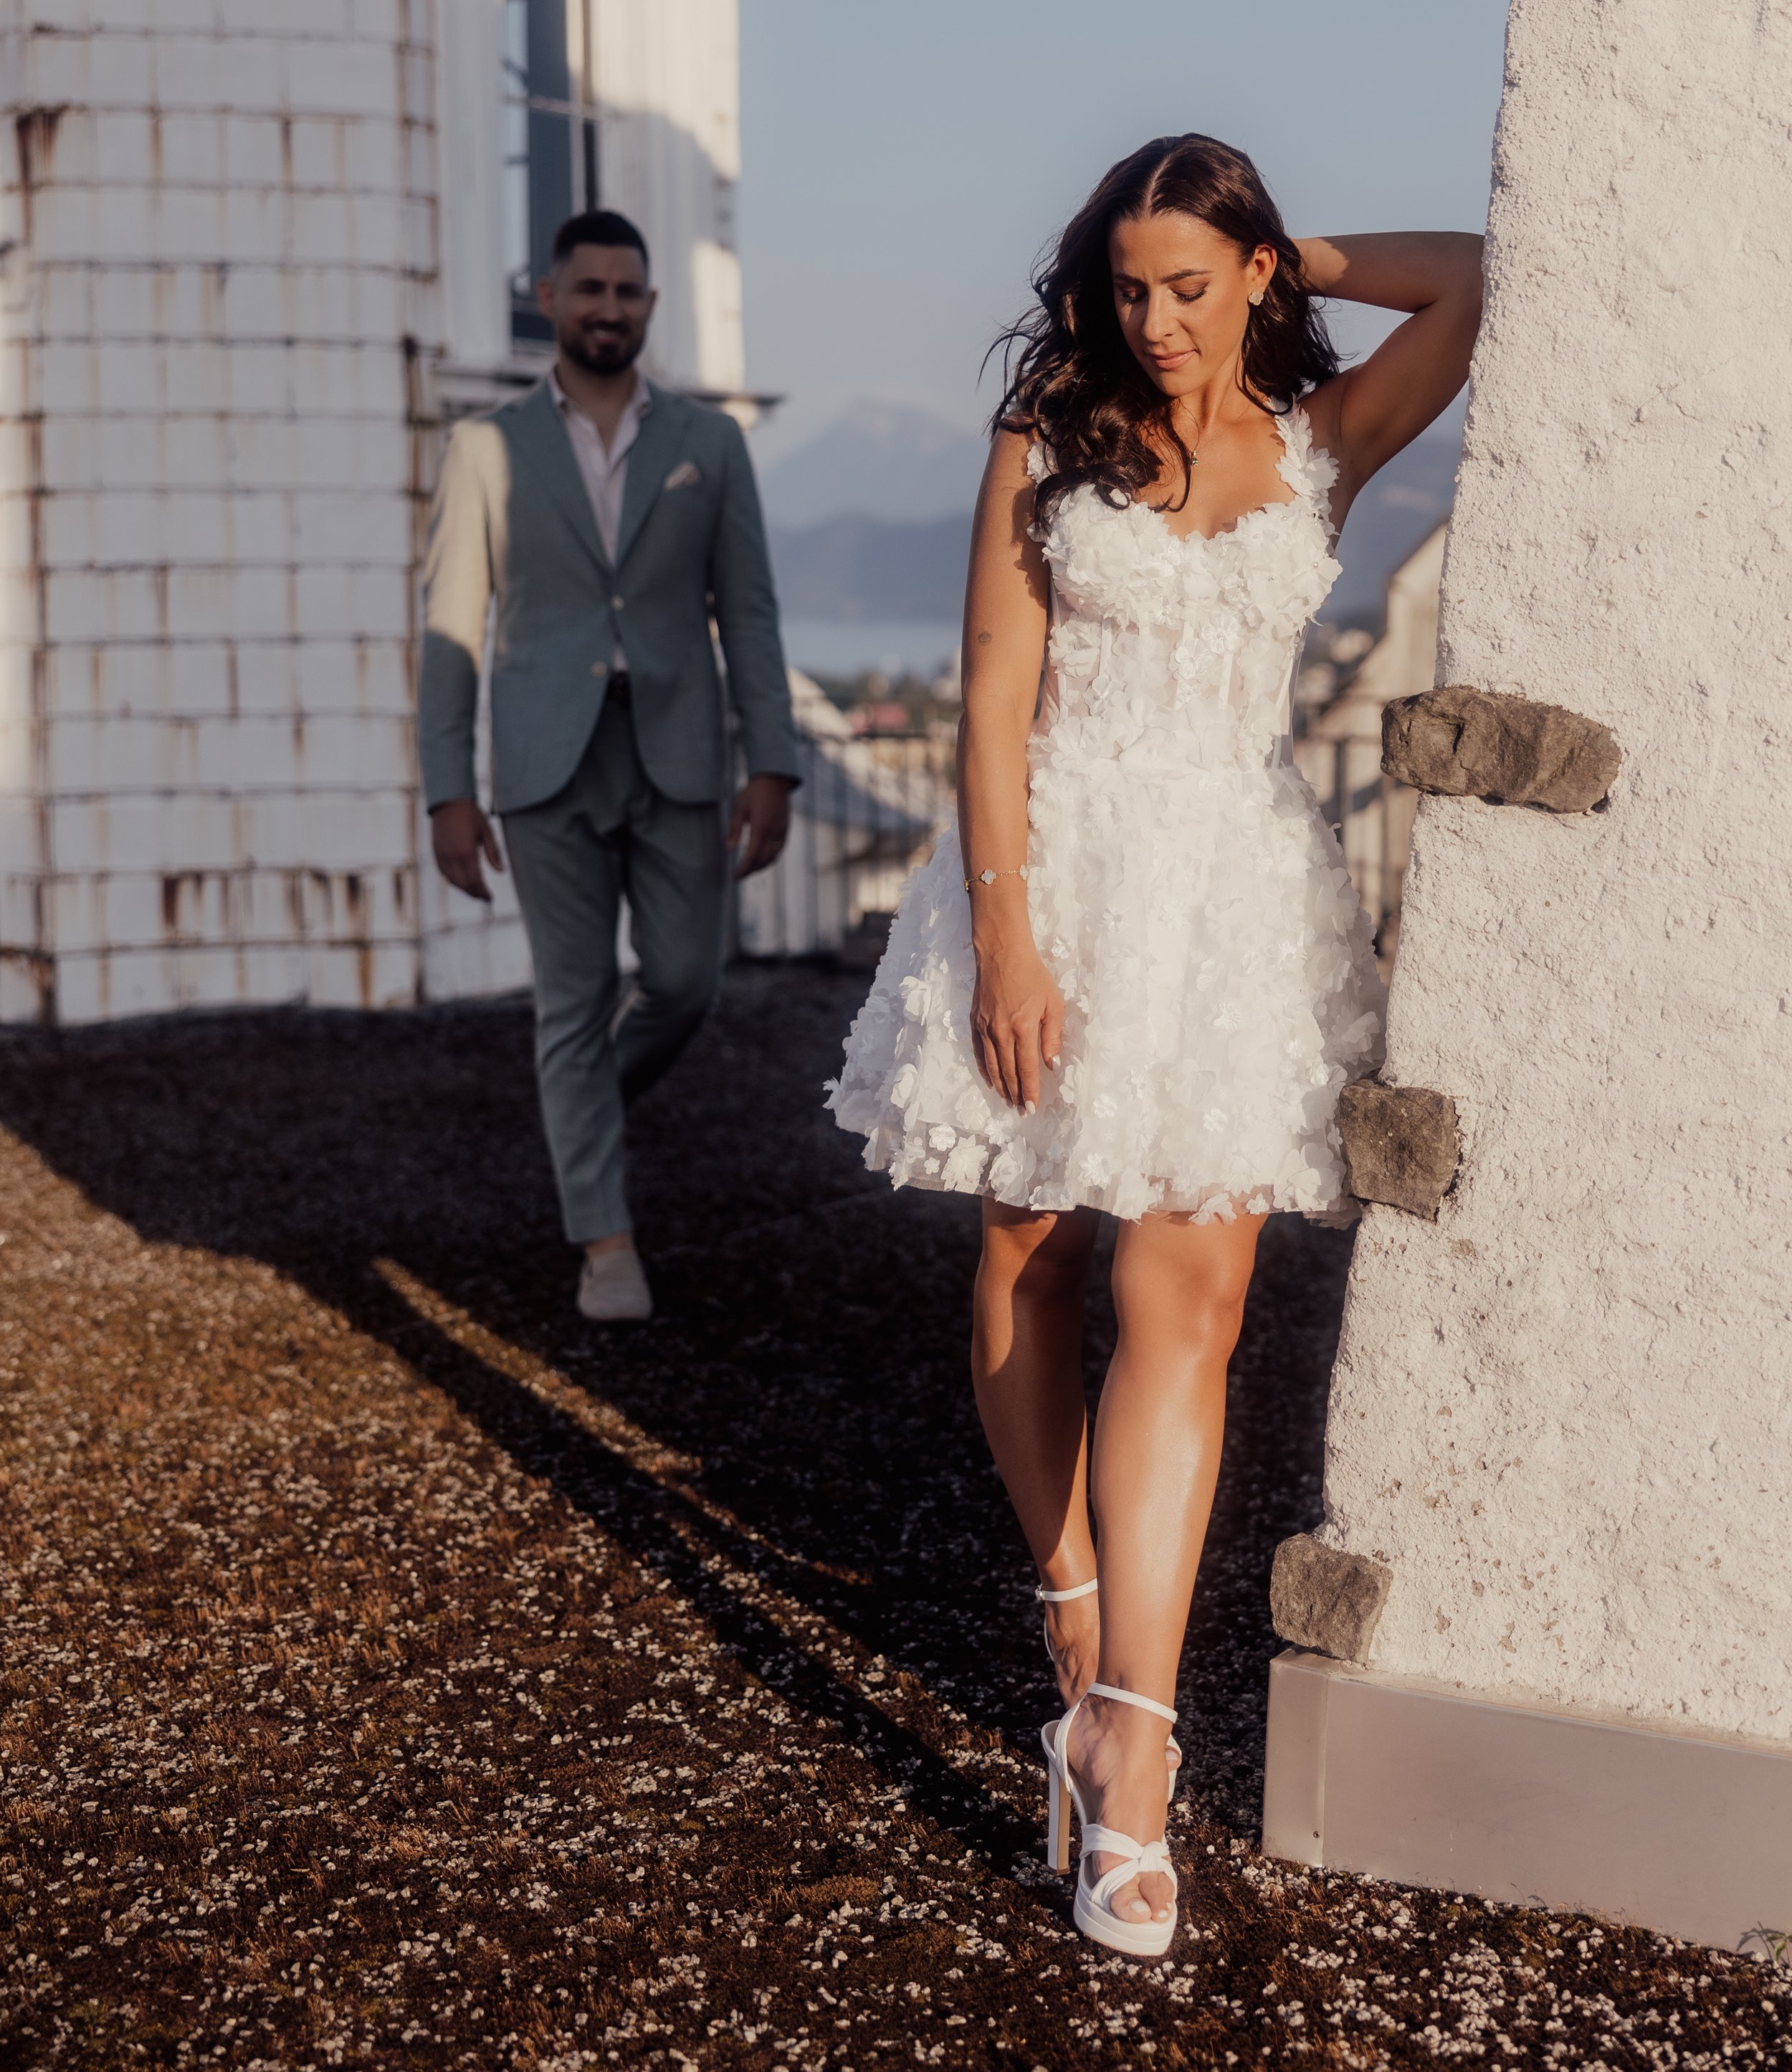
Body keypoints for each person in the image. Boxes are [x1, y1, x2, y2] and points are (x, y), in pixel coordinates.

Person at [828, 134, 1482, 1957]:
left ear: (1252, 276)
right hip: (1058, 888)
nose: (1155, 319)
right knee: (1024, 1261)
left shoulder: (1324, 438)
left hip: (1234, 909)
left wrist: (1296, 252)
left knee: (1185, 1304)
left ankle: (1129, 1743)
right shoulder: (1045, 439)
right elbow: (990, 692)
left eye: (1190, 284)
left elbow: (1478, 280)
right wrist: (1007, 938)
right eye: (1128, 287)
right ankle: (1066, 1592)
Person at [421, 207, 800, 1323]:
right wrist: (448, 789)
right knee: (572, 1003)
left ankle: (577, 1107)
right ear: (547, 297)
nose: (608, 308)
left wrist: (772, 760)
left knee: (685, 982)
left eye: (627, 292)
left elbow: (753, 611)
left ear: (648, 305)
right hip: (545, 761)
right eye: (588, 289)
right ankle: (606, 1243)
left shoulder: (709, 443)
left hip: (678, 748)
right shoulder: (486, 447)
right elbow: (450, 624)